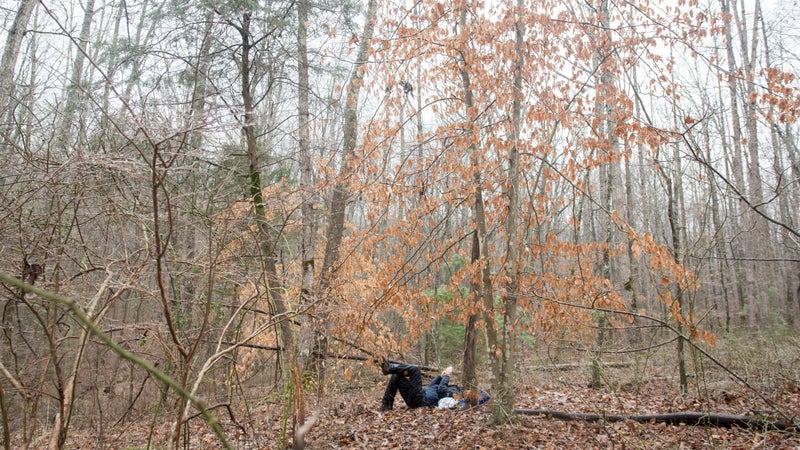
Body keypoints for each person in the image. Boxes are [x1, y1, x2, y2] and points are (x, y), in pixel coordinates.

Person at [378, 359, 461, 411]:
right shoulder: (453, 388)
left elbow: (441, 389)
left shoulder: (458, 394)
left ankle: (390, 368)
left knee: (415, 369)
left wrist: (447, 376)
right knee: (396, 376)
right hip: (415, 397)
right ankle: (386, 405)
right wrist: (440, 377)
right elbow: (431, 386)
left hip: (420, 400)